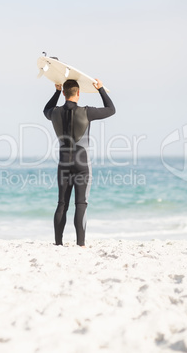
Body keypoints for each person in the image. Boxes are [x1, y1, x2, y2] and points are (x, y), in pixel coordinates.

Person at [43, 79, 116, 247]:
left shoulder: (54, 112)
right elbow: (111, 109)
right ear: (78, 93)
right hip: (82, 165)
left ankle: (58, 243)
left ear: (63, 94)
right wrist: (101, 89)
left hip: (63, 164)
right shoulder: (87, 112)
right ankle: (81, 243)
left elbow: (45, 109)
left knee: (62, 203)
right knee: (81, 204)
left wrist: (55, 92)